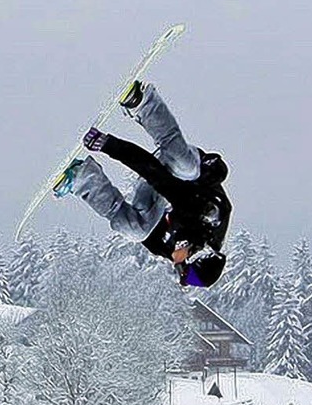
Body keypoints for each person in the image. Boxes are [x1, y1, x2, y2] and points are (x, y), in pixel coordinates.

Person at [53, 81, 232, 288]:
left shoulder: (169, 248)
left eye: (177, 266)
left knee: (135, 231)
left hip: (161, 194)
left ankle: (83, 178)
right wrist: (109, 144)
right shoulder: (206, 217)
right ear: (197, 253)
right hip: (184, 171)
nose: (174, 261)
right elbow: (156, 175)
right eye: (181, 264)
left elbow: (155, 187)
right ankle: (144, 104)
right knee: (186, 167)